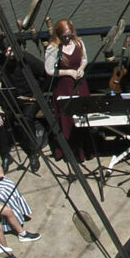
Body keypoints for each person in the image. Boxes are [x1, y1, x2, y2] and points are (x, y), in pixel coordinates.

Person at [45, 18, 90, 161]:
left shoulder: (78, 42)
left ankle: (84, 150)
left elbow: (84, 59)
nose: (67, 38)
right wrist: (68, 72)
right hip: (64, 86)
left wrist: (81, 69)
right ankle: (70, 151)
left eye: (69, 34)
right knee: (67, 119)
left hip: (80, 84)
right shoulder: (53, 48)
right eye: (64, 35)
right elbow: (49, 70)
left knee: (82, 116)